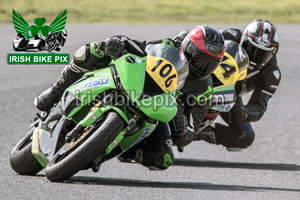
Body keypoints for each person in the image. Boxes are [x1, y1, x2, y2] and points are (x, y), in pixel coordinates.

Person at [34, 25, 224, 169]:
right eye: (199, 58)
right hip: (135, 82)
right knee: (91, 51)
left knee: (163, 159)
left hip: (158, 112)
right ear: (188, 47)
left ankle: (118, 149)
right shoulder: (170, 45)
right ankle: (55, 92)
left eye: (211, 64)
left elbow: (190, 132)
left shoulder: (204, 90)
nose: (203, 66)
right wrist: (118, 42)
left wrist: (184, 130)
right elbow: (140, 47)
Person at [198, 19, 281, 150]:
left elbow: (259, 106)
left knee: (244, 136)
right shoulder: (229, 36)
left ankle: (200, 132)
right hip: (203, 80)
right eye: (250, 49)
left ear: (272, 54)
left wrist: (244, 112)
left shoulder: (271, 74)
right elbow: (198, 40)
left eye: (262, 55)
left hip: (230, 97)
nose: (254, 58)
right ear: (244, 39)